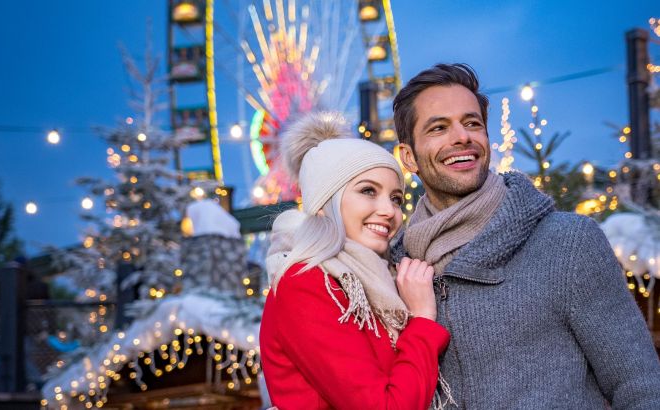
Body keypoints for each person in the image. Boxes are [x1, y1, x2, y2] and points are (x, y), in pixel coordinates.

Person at [391, 63, 660, 409]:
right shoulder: (394, 271)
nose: (462, 137)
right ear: (409, 157)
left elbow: (641, 387)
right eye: (439, 128)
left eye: (472, 123)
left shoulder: (567, 244)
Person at [260, 111, 451, 409]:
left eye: (396, 198)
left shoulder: (377, 279)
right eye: (368, 191)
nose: (389, 211)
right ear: (325, 203)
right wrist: (423, 319)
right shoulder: (304, 283)